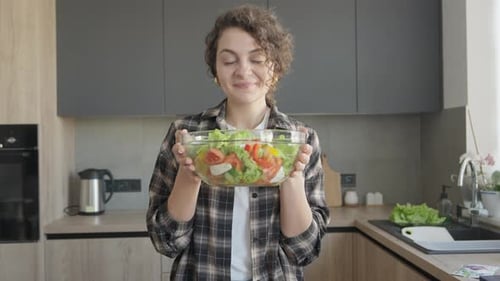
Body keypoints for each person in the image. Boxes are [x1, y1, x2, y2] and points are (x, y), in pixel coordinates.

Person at [147, 4, 330, 281]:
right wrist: (190, 175)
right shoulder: (187, 135)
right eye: (229, 60)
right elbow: (166, 241)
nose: (243, 70)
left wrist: (291, 175)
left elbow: (303, 251)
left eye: (257, 59)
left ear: (276, 68)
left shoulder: (300, 140)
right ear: (216, 71)